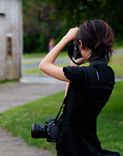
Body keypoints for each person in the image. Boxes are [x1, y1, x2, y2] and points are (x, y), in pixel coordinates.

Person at [39, 19, 117, 155]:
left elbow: (44, 65)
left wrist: (66, 37)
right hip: (89, 143)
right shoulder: (108, 74)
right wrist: (77, 64)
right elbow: (70, 97)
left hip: (72, 147)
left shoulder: (82, 75)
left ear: (81, 44)